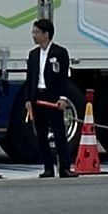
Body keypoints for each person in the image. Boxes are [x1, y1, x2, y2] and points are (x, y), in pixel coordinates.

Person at [24, 18, 75, 178]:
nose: (34, 35)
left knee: (59, 132)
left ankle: (65, 167)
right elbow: (30, 78)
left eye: (37, 32)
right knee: (41, 134)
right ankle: (48, 167)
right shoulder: (33, 55)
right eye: (34, 32)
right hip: (38, 97)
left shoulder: (59, 53)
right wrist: (28, 99)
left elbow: (63, 78)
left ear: (46, 34)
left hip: (53, 97)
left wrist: (63, 98)